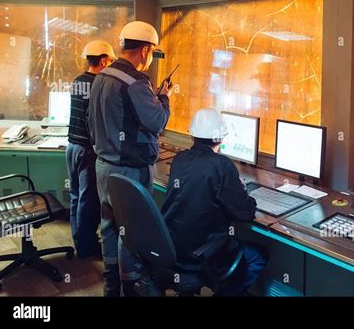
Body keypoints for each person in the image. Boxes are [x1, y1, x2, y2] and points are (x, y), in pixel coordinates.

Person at [87, 21, 172, 297]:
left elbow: (93, 121)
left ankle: (111, 286)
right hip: (129, 172)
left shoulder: (102, 76)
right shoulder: (136, 81)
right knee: (131, 232)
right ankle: (130, 288)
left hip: (103, 166)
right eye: (152, 51)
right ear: (146, 49)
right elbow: (156, 121)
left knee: (110, 226)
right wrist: (165, 98)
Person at [161, 109, 268, 296]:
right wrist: (240, 189)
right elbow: (245, 213)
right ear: (221, 138)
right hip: (202, 254)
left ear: (192, 135)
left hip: (172, 247)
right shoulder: (222, 165)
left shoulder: (179, 160)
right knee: (258, 256)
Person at [66, 40, 115, 258]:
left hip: (72, 147)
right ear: (103, 60)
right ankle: (87, 248)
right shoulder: (97, 85)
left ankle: (79, 241)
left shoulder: (78, 80)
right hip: (87, 149)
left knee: (76, 196)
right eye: (111, 61)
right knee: (88, 199)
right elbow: (95, 122)